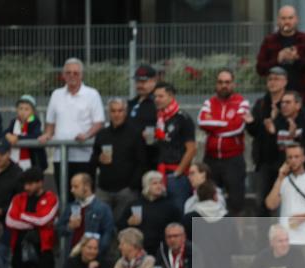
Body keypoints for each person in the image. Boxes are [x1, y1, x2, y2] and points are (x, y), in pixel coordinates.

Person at [39, 58, 105, 192]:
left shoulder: (92, 94)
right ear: (63, 75)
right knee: (64, 195)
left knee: (85, 196)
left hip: (85, 157)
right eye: (68, 73)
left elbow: (99, 123)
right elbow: (50, 123)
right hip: (61, 157)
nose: (72, 76)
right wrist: (47, 134)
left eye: (76, 73)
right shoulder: (56, 94)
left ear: (82, 75)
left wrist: (86, 135)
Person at [265, 144, 305, 268]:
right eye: (290, 157)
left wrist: (304, 217)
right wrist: (280, 178)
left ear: (303, 158)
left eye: (296, 157)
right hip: (286, 239)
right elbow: (271, 204)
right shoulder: (282, 181)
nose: (293, 160)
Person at [198, 69, 250, 216]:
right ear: (216, 84)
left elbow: (238, 127)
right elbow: (201, 121)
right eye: (220, 82)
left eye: (227, 82)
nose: (224, 86)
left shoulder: (242, 102)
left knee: (236, 204)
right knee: (209, 200)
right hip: (211, 159)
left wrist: (213, 127)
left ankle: (236, 238)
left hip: (233, 160)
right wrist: (227, 123)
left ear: (233, 84)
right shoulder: (209, 102)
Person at [90, 97, 146, 220]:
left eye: (120, 111)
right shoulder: (102, 134)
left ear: (125, 112)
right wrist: (99, 158)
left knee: (122, 226)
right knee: (100, 225)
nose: (117, 114)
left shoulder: (135, 133)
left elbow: (142, 161)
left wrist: (131, 187)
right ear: (109, 113)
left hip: (126, 191)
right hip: (104, 189)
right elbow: (92, 160)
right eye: (113, 111)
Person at [256, 4, 305, 104]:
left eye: (290, 18)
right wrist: (278, 59)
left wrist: (297, 59)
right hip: (275, 97)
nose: (287, 22)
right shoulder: (269, 41)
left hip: (300, 96)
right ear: (278, 20)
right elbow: (260, 68)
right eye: (283, 18)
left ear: (296, 19)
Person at [246, 67, 289, 206]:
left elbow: (293, 128)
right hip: (263, 160)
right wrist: (250, 123)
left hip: (283, 160)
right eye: (270, 79)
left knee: (282, 201)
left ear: (285, 82)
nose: (272, 82)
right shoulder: (261, 103)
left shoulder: (290, 102)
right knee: (261, 202)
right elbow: (254, 131)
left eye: (276, 79)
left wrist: (275, 125)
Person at [151, 82, 196, 214]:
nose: (157, 100)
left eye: (160, 96)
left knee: (178, 211)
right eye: (155, 96)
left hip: (176, 175)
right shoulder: (160, 118)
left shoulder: (183, 118)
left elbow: (192, 149)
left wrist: (178, 173)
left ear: (171, 96)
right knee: (163, 213)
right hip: (161, 173)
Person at [117, 170, 181, 257]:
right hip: (137, 252)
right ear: (146, 186)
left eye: (161, 183)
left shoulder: (170, 206)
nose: (159, 186)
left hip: (161, 252)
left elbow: (179, 227)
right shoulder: (134, 204)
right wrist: (129, 223)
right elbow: (119, 226)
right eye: (155, 183)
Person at [55, 173, 115, 258]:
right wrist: (70, 226)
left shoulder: (103, 208)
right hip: (72, 256)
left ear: (86, 187)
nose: (72, 190)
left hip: (92, 257)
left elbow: (108, 233)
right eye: (71, 187)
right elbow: (59, 229)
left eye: (76, 187)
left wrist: (95, 252)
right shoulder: (71, 207)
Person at [272, 91, 305, 169]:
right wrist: (271, 134)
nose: (284, 105)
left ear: (298, 105)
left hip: (303, 171)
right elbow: (269, 153)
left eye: (288, 102)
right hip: (280, 171)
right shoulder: (277, 124)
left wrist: (295, 137)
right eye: (282, 103)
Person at [3, 94, 47, 171]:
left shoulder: (35, 121)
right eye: (21, 108)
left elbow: (35, 135)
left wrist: (18, 137)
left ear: (33, 111)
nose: (23, 112)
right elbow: (6, 132)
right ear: (17, 110)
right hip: (14, 159)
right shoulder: (14, 122)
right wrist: (7, 135)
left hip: (32, 161)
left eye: (27, 109)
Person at [128, 64, 158, 136]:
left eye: (143, 81)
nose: (139, 85)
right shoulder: (131, 103)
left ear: (154, 81)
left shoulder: (158, 103)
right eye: (137, 81)